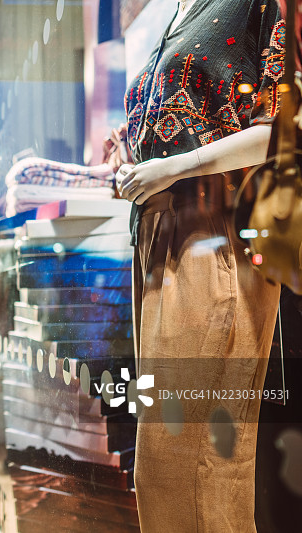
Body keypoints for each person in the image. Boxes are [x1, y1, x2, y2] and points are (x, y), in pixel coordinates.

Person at [116, 0, 284, 531]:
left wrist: (176, 166)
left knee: (201, 466)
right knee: (163, 465)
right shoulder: (181, 12)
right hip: (160, 241)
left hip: (212, 235)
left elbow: (285, 130)